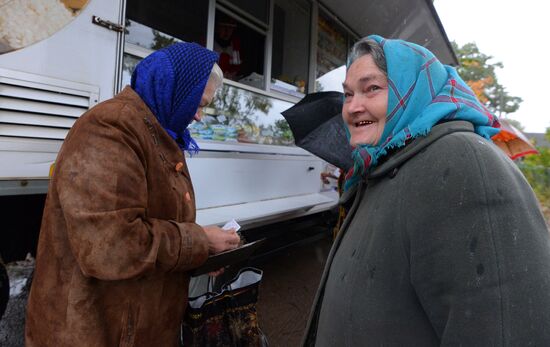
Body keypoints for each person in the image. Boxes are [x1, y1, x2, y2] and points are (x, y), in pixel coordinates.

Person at [303, 35, 550, 346]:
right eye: (348, 93)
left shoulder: (462, 162)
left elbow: (508, 330)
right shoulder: (382, 167)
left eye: (372, 89)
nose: (353, 107)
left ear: (413, 88)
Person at [25, 42, 241, 346]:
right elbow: (111, 246)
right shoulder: (111, 128)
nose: (198, 117)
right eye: (198, 103)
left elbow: (156, 226)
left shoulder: (159, 133)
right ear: (171, 86)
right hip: (94, 331)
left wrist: (200, 256)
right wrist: (200, 240)